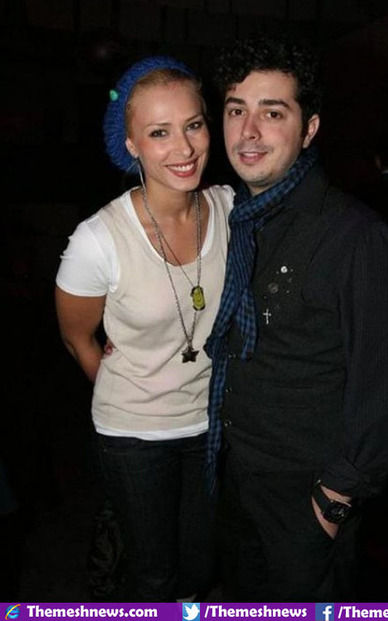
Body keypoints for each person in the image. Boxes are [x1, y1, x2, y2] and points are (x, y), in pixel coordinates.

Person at [204, 37, 388, 602]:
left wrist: (333, 501)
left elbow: (386, 389)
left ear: (310, 128)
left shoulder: (356, 237)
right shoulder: (235, 219)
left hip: (307, 497)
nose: (248, 131)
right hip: (236, 479)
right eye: (236, 111)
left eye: (273, 113)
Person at [55, 56, 233, 601]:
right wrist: (130, 390)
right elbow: (77, 337)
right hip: (134, 436)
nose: (183, 148)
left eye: (193, 125)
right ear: (131, 144)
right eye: (159, 133)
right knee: (154, 575)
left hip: (209, 427)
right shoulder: (98, 239)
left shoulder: (230, 209)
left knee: (201, 567)